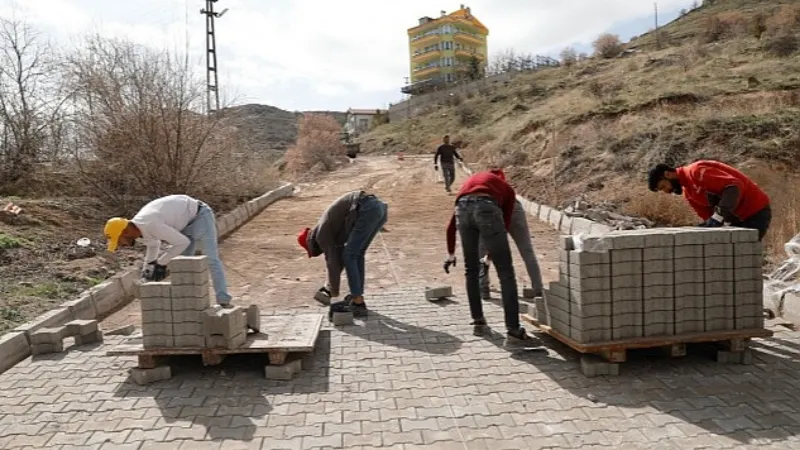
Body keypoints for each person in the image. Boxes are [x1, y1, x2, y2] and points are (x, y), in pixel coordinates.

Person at [443, 170, 530, 341]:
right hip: (486, 208)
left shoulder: (467, 185)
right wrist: (492, 254)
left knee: (471, 269)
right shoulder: (506, 189)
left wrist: (451, 254)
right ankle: (513, 328)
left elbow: (451, 226)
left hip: (463, 208)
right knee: (506, 272)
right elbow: (503, 224)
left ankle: (478, 321)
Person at [104, 194, 233, 306]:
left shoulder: (151, 224)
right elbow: (153, 245)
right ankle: (189, 303)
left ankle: (223, 299)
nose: (121, 245)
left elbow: (183, 242)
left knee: (212, 259)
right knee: (184, 265)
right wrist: (147, 271)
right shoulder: (138, 230)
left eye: (119, 241)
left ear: (126, 232)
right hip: (183, 223)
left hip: (200, 216)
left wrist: (161, 263)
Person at [298, 190, 388, 318]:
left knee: (350, 255)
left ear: (310, 243)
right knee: (356, 254)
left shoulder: (321, 235)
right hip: (377, 208)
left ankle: (358, 302)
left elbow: (332, 262)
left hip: (367, 209)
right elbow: (337, 260)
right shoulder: (328, 229)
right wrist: (330, 285)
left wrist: (331, 290)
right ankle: (357, 298)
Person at [648, 160, 771, 241]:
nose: (666, 191)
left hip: (755, 211)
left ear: (668, 174)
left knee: (744, 255)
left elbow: (733, 187)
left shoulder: (696, 171)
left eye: (663, 186)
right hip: (737, 221)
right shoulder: (689, 194)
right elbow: (710, 220)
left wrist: (719, 217)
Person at [478, 169, 544, 301]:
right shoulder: (505, 187)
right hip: (514, 208)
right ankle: (538, 289)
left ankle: (483, 288)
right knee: (526, 250)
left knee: (482, 248)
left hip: (493, 210)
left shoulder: (482, 188)